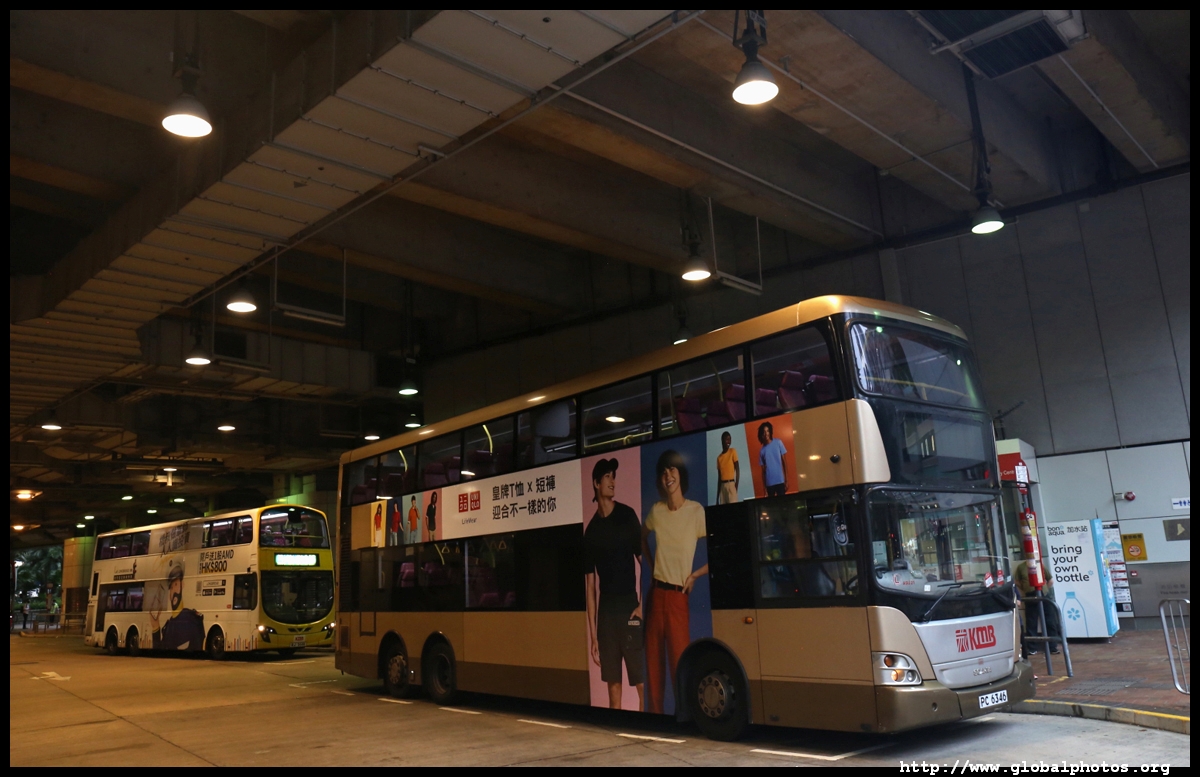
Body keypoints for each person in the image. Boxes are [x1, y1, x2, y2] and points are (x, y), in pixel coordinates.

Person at [642, 450, 708, 714]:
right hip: (656, 595)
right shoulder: (657, 511)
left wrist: (695, 575)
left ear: (681, 474)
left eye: (672, 469)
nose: (667, 475)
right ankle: (655, 719)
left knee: (680, 664)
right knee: (653, 666)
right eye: (663, 471)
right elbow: (641, 537)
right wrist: (652, 567)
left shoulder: (696, 511)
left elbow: (722, 546)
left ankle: (685, 717)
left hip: (678, 598)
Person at [583, 458, 645, 711]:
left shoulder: (627, 516)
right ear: (596, 483)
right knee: (613, 686)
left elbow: (646, 563)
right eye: (607, 477)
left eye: (613, 476)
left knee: (641, 682)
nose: (612, 481)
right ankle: (618, 728)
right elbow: (590, 587)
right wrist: (593, 635)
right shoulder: (591, 532)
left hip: (630, 607)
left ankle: (644, 727)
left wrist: (642, 605)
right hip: (606, 615)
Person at [149, 558, 206, 651]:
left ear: (182, 585)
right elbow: (160, 652)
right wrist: (155, 626)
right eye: (171, 588)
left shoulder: (192, 619)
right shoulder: (168, 626)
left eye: (176, 584)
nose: (174, 591)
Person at [1015, 559, 1060, 656]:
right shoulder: (1021, 567)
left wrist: (1045, 589)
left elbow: (1050, 580)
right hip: (1030, 595)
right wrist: (1025, 588)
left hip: (1044, 594)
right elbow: (1016, 581)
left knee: (1050, 621)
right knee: (1031, 622)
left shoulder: (1040, 565)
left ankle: (1052, 646)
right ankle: (1032, 648)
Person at [757, 421, 790, 497]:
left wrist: (786, 480)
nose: (766, 434)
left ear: (770, 432)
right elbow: (763, 472)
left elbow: (784, 462)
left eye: (767, 431)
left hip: (780, 481)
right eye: (764, 432)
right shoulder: (762, 451)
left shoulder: (778, 442)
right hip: (769, 483)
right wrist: (764, 488)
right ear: (761, 434)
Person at [715, 431, 740, 504]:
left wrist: (736, 485)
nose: (729, 441)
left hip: (731, 484)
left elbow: (737, 469)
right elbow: (719, 478)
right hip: (722, 487)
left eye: (730, 439)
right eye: (727, 439)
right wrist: (717, 497)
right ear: (722, 440)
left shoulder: (733, 451)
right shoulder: (719, 458)